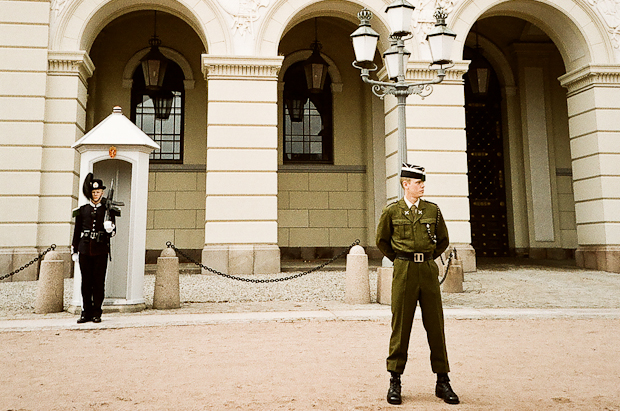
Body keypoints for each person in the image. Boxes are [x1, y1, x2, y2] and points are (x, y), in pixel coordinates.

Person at [376, 163, 459, 405]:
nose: (422, 186)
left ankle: (443, 381)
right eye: (418, 182)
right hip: (404, 270)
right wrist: (401, 259)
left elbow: (442, 240)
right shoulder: (392, 211)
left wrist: (426, 258)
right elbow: (382, 241)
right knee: (400, 325)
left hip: (427, 270)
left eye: (422, 182)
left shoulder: (433, 210)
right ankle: (395, 380)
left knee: (435, 324)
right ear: (405, 184)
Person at [71, 176, 116, 324]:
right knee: (86, 282)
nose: (96, 194)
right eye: (93, 192)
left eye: (98, 192)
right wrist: (74, 250)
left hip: (101, 250)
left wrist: (110, 229)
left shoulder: (108, 210)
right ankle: (86, 312)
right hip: (85, 250)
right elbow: (77, 231)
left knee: (98, 282)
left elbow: (113, 232)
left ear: (102, 193)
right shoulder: (82, 210)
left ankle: (97, 312)